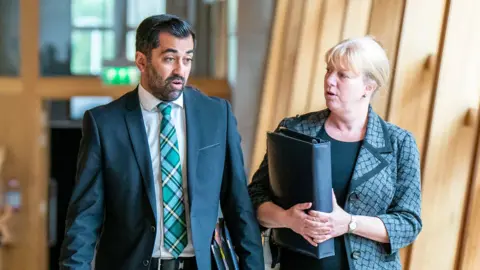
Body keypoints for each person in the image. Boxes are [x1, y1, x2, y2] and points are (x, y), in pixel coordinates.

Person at [59, 14, 263, 270]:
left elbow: (239, 205)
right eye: (170, 58)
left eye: (187, 59)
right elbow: (84, 218)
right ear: (141, 61)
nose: (181, 70)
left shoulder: (216, 115)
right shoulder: (105, 124)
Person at [248, 36, 422, 270]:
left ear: (368, 87)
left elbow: (408, 224)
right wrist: (288, 219)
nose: (330, 80)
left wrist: (349, 223)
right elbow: (254, 197)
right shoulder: (293, 130)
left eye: (343, 75)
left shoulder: (400, 143)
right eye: (328, 70)